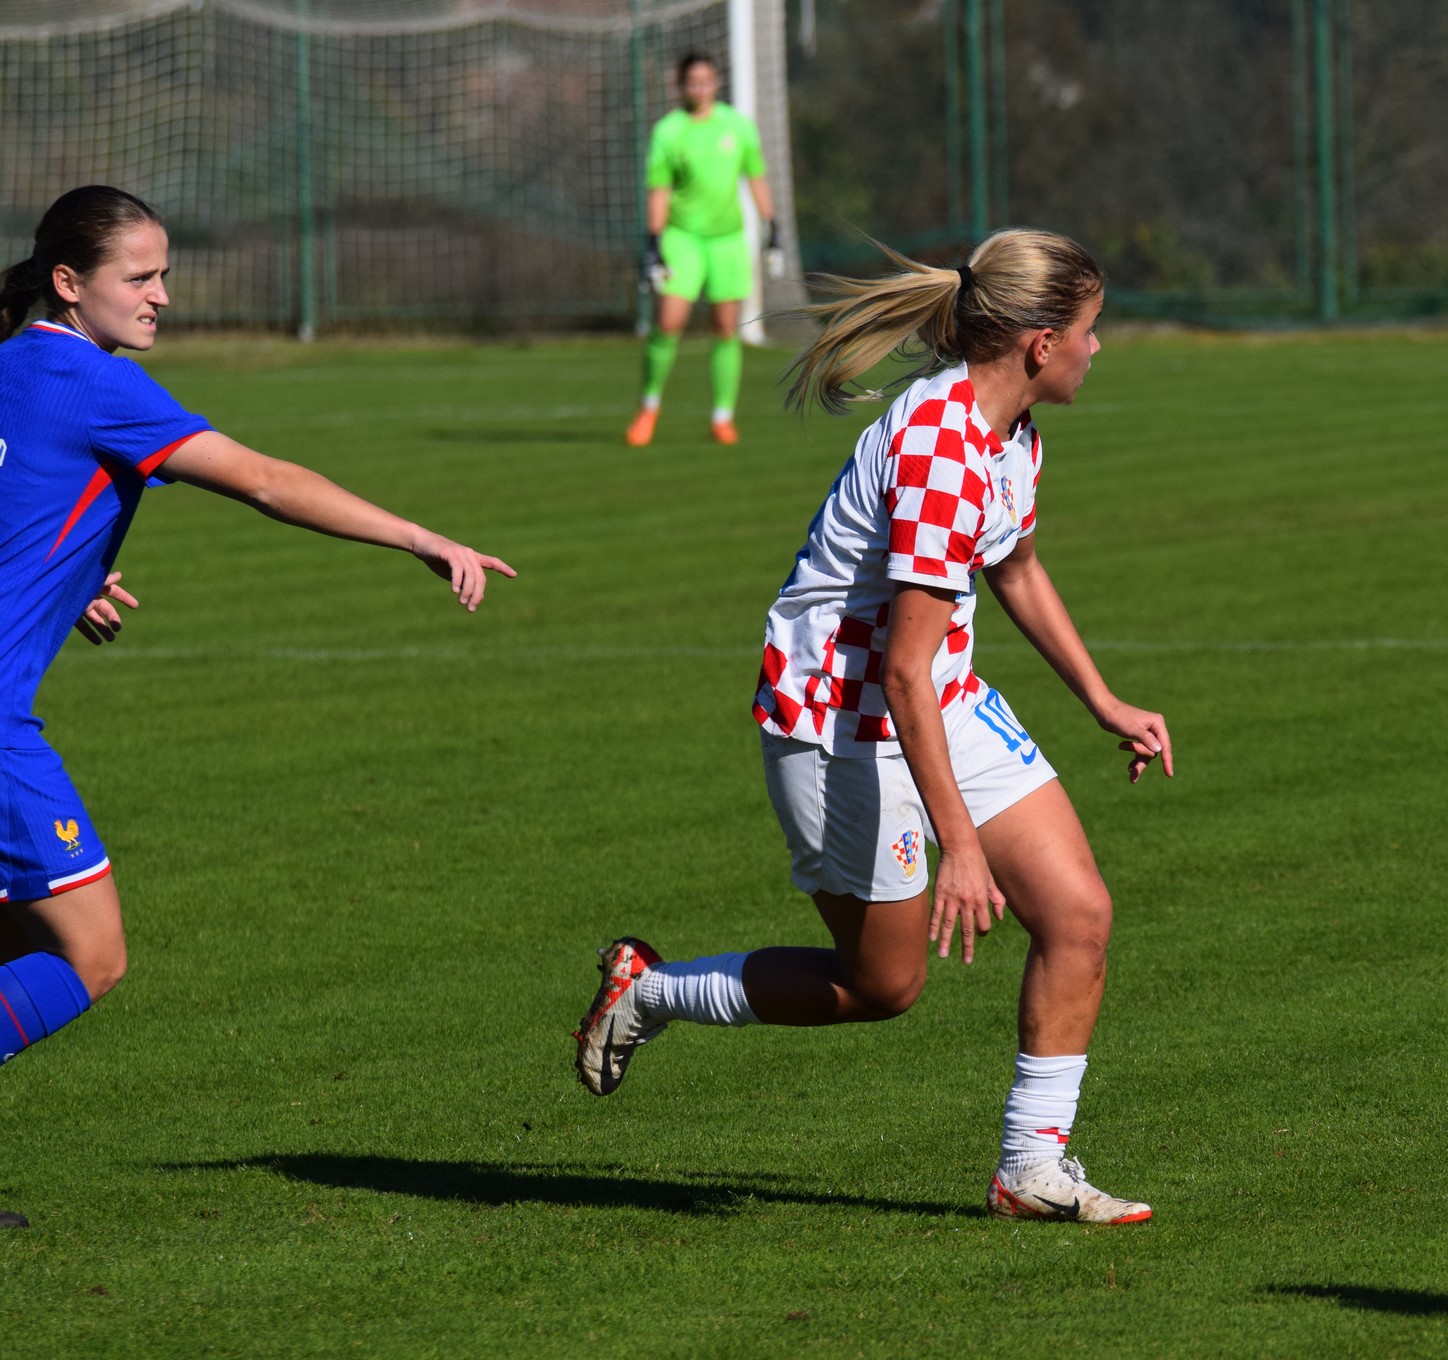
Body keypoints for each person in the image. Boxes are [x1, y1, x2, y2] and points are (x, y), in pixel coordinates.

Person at [575, 228, 1171, 1225]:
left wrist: (1103, 700)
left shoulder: (1011, 431)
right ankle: (650, 990)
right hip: (837, 722)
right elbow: (898, 670)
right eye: (1089, 329)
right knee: (881, 985)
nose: (1096, 347)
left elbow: (1015, 565)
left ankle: (1030, 1169)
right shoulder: (942, 450)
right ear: (1040, 344)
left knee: (1078, 916)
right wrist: (961, 846)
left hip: (938, 696)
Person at [0, 186, 515, 1229]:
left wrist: (62, 578)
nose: (162, 296)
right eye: (139, 277)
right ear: (69, 283)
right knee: (90, 954)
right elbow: (267, 480)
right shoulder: (97, 382)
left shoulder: (12, 365)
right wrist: (421, 537)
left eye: (165, 273)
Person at [625, 50, 778, 449]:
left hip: (727, 240)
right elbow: (659, 190)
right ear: (681, 86)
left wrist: (772, 225)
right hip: (683, 238)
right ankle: (648, 407)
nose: (700, 88)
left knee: (726, 328)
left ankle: (722, 417)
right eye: (693, 82)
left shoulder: (737, 126)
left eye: (706, 81)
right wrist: (654, 243)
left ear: (716, 82)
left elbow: (756, 177)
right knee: (668, 322)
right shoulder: (669, 131)